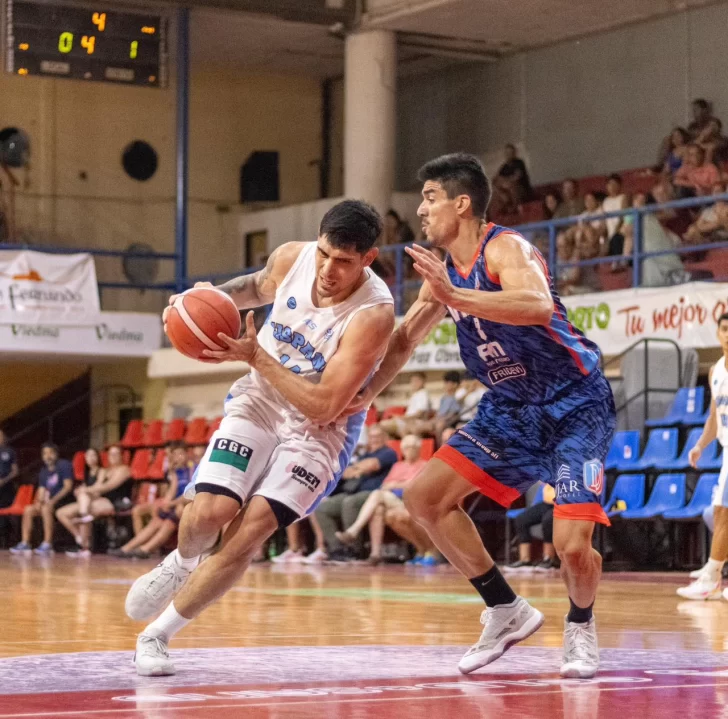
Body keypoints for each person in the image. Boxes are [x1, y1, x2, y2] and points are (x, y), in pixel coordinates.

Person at [347, 153, 615, 678]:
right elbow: (404, 340)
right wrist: (365, 392)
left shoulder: (506, 248)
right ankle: (505, 607)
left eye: (429, 198)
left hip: (574, 405)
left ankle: (580, 623)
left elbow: (537, 305)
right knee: (424, 497)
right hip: (510, 410)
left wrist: (456, 296)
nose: (420, 210)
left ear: (461, 203)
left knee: (571, 547)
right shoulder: (441, 276)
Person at [124, 199, 395, 676]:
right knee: (210, 511)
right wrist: (195, 304)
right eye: (326, 254)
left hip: (318, 431)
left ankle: (157, 636)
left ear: (367, 259)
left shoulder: (373, 315)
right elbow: (253, 287)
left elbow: (326, 405)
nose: (329, 270)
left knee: (250, 529)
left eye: (345, 262)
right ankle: (181, 564)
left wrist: (255, 356)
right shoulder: (294, 256)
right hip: (260, 400)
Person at [677, 314, 728, 600]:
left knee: (722, 512)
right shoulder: (716, 370)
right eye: (724, 329)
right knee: (721, 513)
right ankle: (712, 575)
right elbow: (714, 416)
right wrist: (699, 445)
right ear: (718, 333)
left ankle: (711, 577)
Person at [335, 434, 429, 564]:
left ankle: (354, 530)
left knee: (377, 495)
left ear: (419, 448)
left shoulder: (425, 465)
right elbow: (385, 485)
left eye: (413, 446)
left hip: (409, 502)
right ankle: (375, 554)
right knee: (378, 509)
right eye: (407, 447)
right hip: (393, 500)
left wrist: (396, 484)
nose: (410, 449)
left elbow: (416, 486)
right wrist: (401, 484)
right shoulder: (398, 466)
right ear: (402, 449)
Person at [314, 424, 398, 561]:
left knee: (350, 503)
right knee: (322, 508)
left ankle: (355, 549)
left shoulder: (388, 452)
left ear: (384, 438)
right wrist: (359, 468)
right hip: (352, 491)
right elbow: (345, 472)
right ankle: (337, 549)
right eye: (372, 436)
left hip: (373, 494)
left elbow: (373, 464)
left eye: (378, 436)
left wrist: (356, 469)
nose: (374, 439)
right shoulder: (364, 455)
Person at [110, 442, 191, 559]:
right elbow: (171, 492)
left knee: (168, 523)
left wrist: (172, 503)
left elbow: (189, 494)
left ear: (187, 454)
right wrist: (166, 503)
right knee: (156, 521)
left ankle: (145, 550)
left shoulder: (192, 469)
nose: (178, 457)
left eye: (181, 454)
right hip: (175, 504)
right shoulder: (175, 473)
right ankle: (127, 548)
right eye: (176, 454)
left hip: (186, 504)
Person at [56, 446, 132, 557]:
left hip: (114, 503)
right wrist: (82, 491)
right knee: (62, 512)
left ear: (121, 455)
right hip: (98, 500)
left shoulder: (124, 469)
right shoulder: (107, 471)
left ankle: (84, 547)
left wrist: (85, 490)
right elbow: (97, 489)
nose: (113, 457)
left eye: (116, 454)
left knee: (86, 507)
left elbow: (108, 486)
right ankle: (81, 539)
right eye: (111, 454)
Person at [10, 443, 74, 555]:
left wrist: (53, 500)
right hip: (49, 502)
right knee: (29, 509)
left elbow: (68, 487)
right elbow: (41, 489)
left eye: (50, 453)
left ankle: (47, 543)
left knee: (46, 508)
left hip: (64, 501)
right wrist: (38, 502)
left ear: (56, 454)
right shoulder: (44, 471)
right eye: (44, 453)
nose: (47, 456)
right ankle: (25, 543)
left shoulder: (64, 465)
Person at [505, 483, 558, 573]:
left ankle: (549, 559)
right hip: (547, 503)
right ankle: (525, 560)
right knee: (521, 519)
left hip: (561, 504)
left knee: (548, 520)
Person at [379, 371, 431, 438]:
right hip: (406, 421)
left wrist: (401, 417)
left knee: (383, 425)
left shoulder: (423, 394)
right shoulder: (415, 394)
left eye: (416, 381)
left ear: (422, 381)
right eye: (412, 381)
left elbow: (419, 414)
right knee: (378, 427)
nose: (413, 383)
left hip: (413, 421)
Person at [0, 429, 19, 510]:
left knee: (9, 510)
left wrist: (4, 480)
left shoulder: (9, 451)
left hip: (7, 485)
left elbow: (15, 471)